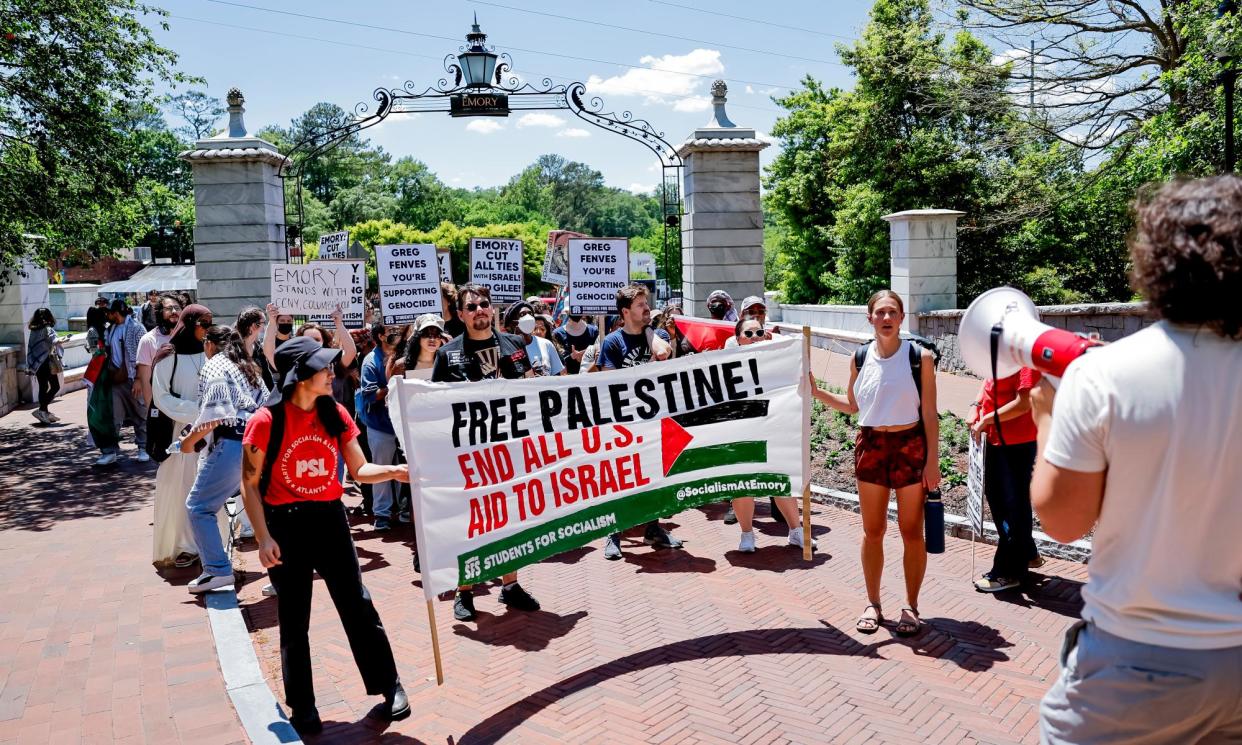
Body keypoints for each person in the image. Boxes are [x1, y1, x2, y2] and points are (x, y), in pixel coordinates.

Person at [1033, 176, 1242, 744]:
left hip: (1133, 662)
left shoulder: (1103, 374)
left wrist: (1046, 418)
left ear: (1156, 261)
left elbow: (1063, 520)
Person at [240, 336, 411, 735]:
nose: (332, 372)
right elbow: (249, 484)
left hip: (330, 520)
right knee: (294, 618)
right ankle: (303, 705)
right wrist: (263, 537)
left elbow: (360, 468)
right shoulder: (265, 420)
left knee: (357, 604)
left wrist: (393, 471)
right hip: (285, 525)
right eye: (324, 367)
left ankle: (389, 685)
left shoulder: (334, 411)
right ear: (300, 375)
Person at [810, 290, 939, 637]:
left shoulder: (920, 358)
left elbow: (929, 413)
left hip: (910, 445)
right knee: (873, 531)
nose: (885, 318)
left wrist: (933, 462)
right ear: (869, 319)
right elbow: (853, 405)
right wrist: (817, 392)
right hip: (871, 445)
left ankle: (911, 606)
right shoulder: (860, 357)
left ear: (901, 318)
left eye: (892, 312)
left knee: (912, 532)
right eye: (879, 313)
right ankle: (873, 603)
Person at [431, 284, 542, 622]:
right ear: (461, 314)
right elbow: (435, 406)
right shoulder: (447, 354)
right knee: (471, 523)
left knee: (509, 520)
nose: (479, 310)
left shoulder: (512, 344)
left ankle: (510, 586)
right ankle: (464, 590)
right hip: (468, 456)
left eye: (484, 304)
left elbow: (531, 389)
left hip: (509, 451)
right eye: (472, 306)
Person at [179, 325, 269, 594]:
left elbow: (216, 414)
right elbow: (264, 403)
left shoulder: (216, 364)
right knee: (264, 507)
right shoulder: (245, 366)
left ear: (209, 344)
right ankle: (282, 574)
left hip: (232, 443)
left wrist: (188, 441)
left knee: (198, 506)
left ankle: (217, 570)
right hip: (255, 441)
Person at [598, 284, 682, 560]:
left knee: (654, 475)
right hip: (622, 423)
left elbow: (663, 354)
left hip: (652, 422)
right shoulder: (612, 342)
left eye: (647, 304)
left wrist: (647, 330)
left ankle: (653, 527)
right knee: (620, 479)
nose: (647, 308)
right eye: (640, 305)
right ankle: (613, 533)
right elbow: (608, 383)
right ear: (625, 312)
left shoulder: (655, 334)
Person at [728, 317, 815, 553]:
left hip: (774, 431)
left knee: (780, 482)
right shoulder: (726, 366)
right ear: (738, 340)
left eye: (759, 333)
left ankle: (796, 531)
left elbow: (799, 389)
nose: (755, 337)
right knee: (742, 485)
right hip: (742, 433)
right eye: (749, 334)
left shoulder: (780, 363)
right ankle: (747, 534)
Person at [967, 366, 1043, 592]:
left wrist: (987, 419)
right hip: (996, 439)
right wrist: (976, 406)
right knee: (1005, 501)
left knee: (1010, 506)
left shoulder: (1023, 357)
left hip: (1016, 443)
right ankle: (1027, 552)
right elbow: (987, 381)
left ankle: (1009, 571)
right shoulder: (999, 351)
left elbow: (1024, 402)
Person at [150, 305, 211, 569]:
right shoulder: (168, 356)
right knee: (182, 487)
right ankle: (185, 545)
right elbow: (161, 396)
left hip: (209, 431)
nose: (207, 329)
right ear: (190, 323)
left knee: (206, 486)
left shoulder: (210, 353)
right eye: (203, 324)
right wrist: (196, 413)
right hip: (179, 434)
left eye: (210, 323)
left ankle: (209, 543)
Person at [357, 324, 403, 530]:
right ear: (380, 336)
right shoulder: (370, 362)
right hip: (380, 425)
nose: (396, 333)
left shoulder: (405, 355)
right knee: (382, 470)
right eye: (391, 330)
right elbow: (369, 395)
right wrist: (392, 385)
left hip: (402, 425)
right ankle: (382, 514)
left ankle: (404, 509)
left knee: (403, 470)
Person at [101, 299, 149, 465]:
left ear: (116, 313)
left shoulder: (136, 328)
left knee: (140, 414)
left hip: (132, 378)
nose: (109, 315)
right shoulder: (111, 329)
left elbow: (143, 355)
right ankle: (109, 451)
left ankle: (144, 447)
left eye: (111, 313)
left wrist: (138, 378)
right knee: (114, 417)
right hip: (116, 379)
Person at [136, 295, 181, 414]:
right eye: (169, 308)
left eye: (177, 308)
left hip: (186, 406)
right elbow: (146, 382)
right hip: (162, 409)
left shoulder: (190, 338)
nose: (174, 312)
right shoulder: (148, 340)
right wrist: (153, 413)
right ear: (160, 312)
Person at [85, 306, 118, 453]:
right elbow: (97, 350)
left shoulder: (96, 329)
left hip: (101, 369)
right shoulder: (100, 329)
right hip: (103, 369)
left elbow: (93, 350)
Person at [504, 302, 565, 377]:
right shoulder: (506, 348)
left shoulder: (546, 344)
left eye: (530, 314)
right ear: (513, 323)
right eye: (522, 314)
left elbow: (557, 375)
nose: (528, 317)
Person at [24, 308, 62, 424]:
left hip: (37, 362)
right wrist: (62, 340)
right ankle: (42, 410)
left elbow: (33, 347)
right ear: (49, 316)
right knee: (55, 386)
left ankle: (44, 412)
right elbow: (54, 339)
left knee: (43, 387)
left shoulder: (34, 330)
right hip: (46, 361)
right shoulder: (47, 329)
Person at [235, 307, 271, 390]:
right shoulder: (233, 349)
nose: (264, 326)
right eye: (263, 323)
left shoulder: (258, 348)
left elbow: (267, 377)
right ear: (254, 326)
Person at [402, 313, 445, 380]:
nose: (432, 339)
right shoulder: (401, 365)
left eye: (437, 335)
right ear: (417, 337)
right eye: (426, 334)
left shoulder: (448, 364)